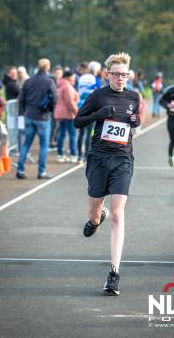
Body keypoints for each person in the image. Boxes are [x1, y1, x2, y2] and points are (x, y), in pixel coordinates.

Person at [74, 52, 140, 296]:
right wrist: (98, 115)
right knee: (96, 211)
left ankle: (114, 273)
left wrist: (135, 120)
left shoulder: (134, 96)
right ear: (108, 74)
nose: (121, 78)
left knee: (117, 213)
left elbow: (135, 121)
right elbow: (77, 121)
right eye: (117, 74)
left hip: (123, 159)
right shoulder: (98, 96)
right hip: (99, 159)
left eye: (125, 75)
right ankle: (94, 219)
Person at [16, 58, 57, 179]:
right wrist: (50, 110)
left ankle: (20, 170)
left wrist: (27, 110)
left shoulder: (28, 81)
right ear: (48, 67)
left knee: (26, 144)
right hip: (43, 117)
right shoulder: (49, 82)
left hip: (29, 115)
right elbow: (55, 99)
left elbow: (21, 99)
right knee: (43, 145)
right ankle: (41, 172)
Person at [54, 71, 78, 162]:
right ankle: (73, 155)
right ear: (67, 77)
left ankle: (60, 154)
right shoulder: (67, 86)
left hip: (61, 113)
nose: (74, 79)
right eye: (73, 77)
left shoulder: (60, 85)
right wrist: (77, 112)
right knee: (73, 135)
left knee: (62, 134)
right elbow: (70, 102)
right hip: (68, 114)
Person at [77, 62, 98, 163]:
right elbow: (96, 92)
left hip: (80, 107)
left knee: (81, 133)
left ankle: (79, 156)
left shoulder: (81, 78)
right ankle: (86, 156)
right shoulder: (93, 79)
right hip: (90, 108)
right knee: (89, 133)